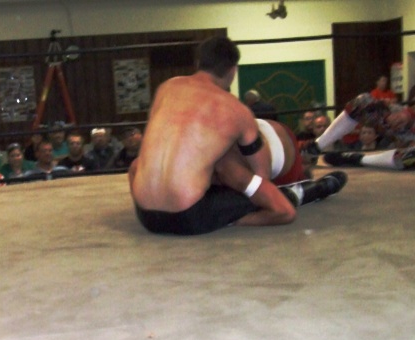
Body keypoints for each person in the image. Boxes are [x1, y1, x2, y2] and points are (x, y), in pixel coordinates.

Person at [128, 36, 347, 235]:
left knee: (140, 165)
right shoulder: (237, 110)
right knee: (243, 179)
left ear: (198, 63)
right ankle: (307, 192)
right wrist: (238, 218)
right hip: (187, 217)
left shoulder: (166, 88)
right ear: (233, 70)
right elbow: (262, 174)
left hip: (145, 215)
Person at [307, 91, 415, 170]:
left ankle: (357, 159)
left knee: (412, 158)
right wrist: (407, 114)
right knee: (363, 102)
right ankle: (316, 146)